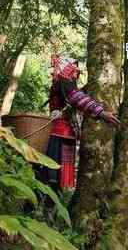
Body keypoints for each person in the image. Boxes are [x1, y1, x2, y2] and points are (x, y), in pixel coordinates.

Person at [43, 54, 120, 191]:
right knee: (52, 172)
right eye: (74, 70)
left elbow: (75, 95)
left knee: (57, 172)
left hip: (63, 133)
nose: (75, 74)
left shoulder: (61, 83)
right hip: (60, 133)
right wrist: (101, 113)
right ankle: (43, 207)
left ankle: (48, 206)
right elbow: (77, 98)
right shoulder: (63, 82)